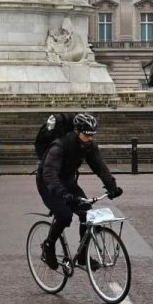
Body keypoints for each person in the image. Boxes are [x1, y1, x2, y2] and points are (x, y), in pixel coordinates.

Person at [35, 112, 123, 270]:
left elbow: (100, 167)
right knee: (64, 215)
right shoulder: (60, 145)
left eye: (92, 135)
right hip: (48, 183)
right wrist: (62, 194)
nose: (90, 138)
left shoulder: (89, 146)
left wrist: (112, 186)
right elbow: (49, 173)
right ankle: (48, 246)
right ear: (77, 131)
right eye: (86, 135)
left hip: (67, 182)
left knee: (87, 213)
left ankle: (83, 256)